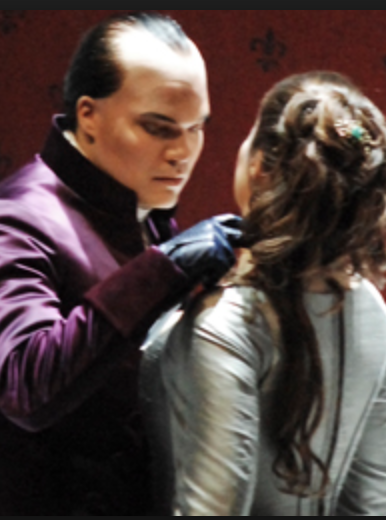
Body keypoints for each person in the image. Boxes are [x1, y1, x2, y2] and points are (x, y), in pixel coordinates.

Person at [0, 12, 241, 516]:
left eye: (197, 128)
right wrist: (164, 268)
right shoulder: (10, 221)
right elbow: (27, 387)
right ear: (88, 115)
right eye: (158, 128)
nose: (183, 152)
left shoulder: (143, 215)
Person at [141, 71, 386, 516]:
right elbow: (372, 504)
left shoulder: (228, 321)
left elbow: (212, 508)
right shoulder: (369, 305)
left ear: (258, 165)